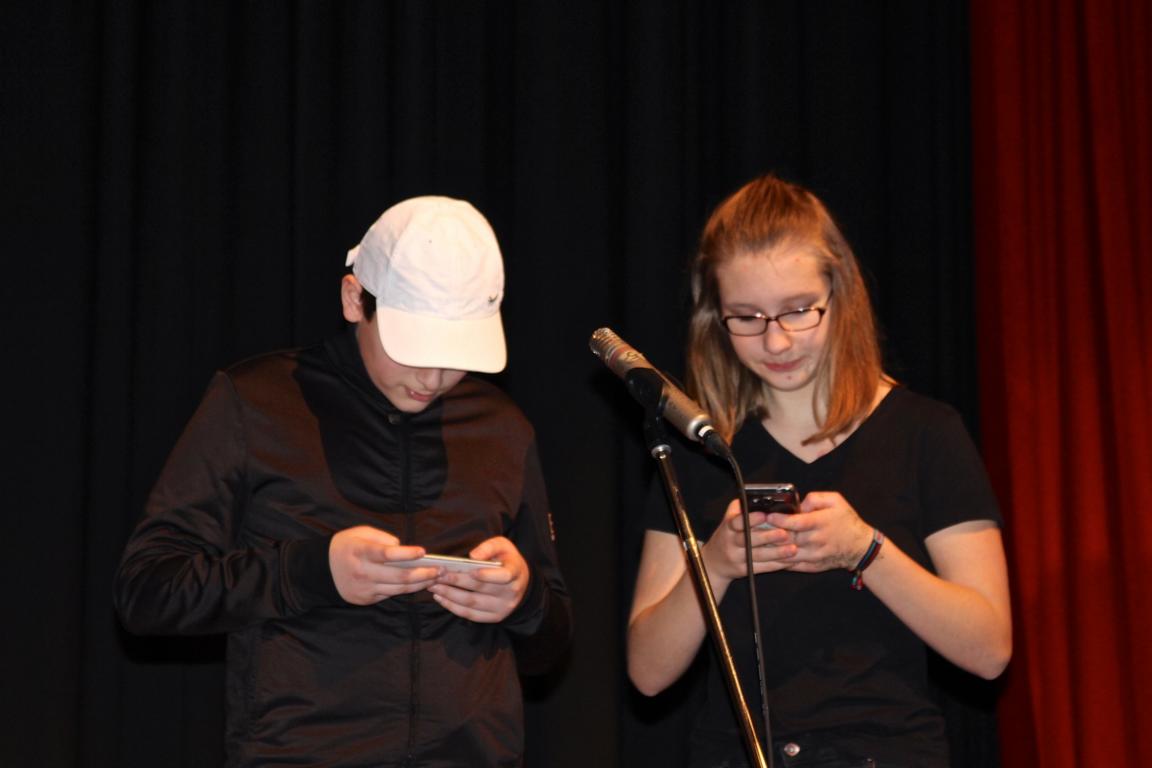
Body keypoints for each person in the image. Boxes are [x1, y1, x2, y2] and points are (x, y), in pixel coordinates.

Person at [115, 196, 572, 767]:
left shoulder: (502, 427)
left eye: (455, 354)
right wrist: (310, 571)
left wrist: (523, 600)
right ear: (355, 299)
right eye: (415, 348)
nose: (434, 378)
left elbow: (552, 647)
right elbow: (147, 590)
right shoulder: (257, 403)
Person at [627, 174, 1011, 767]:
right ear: (713, 317)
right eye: (746, 317)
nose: (777, 342)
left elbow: (988, 650)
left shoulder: (926, 433)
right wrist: (718, 564)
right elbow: (648, 672)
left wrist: (865, 550)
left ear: (841, 294)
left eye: (798, 311)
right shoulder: (698, 453)